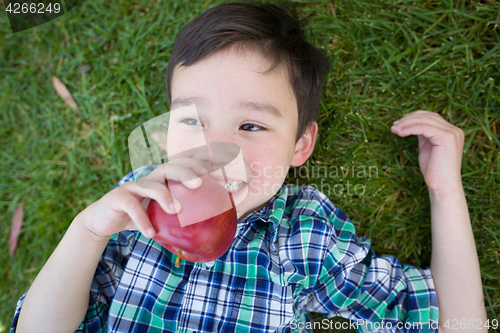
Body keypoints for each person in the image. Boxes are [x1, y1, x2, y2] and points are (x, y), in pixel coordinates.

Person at [12, 1, 487, 332]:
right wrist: (87, 231)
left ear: (301, 146)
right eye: (193, 119)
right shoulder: (139, 207)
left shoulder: (305, 236)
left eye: (252, 126)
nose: (217, 149)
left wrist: (445, 190)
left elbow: (454, 322)